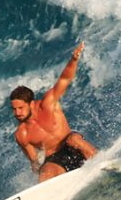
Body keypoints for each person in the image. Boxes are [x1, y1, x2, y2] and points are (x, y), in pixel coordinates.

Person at [10, 42, 97, 182]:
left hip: (72, 146)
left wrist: (74, 60)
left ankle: (101, 163)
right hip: (55, 160)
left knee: (74, 139)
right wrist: (39, 167)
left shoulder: (48, 104)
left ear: (31, 104)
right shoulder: (22, 134)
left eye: (20, 108)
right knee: (46, 172)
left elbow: (65, 79)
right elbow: (34, 162)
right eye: (14, 109)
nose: (17, 113)